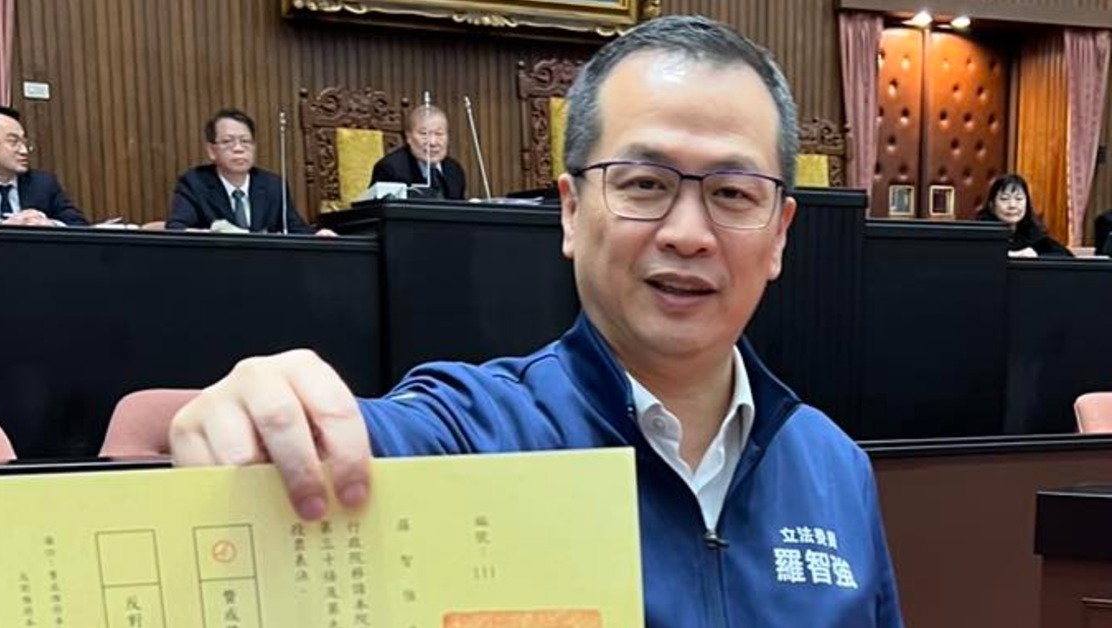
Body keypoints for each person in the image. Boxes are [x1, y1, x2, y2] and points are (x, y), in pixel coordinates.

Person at [170, 15, 902, 627]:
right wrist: (264, 415)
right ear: (571, 212)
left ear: (778, 235)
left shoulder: (833, 464)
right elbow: (355, 441)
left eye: (733, 194)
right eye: (644, 184)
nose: (688, 233)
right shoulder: (474, 432)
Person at [167, 109, 315, 233]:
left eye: (245, 141)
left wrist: (318, 236)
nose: (238, 149)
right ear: (211, 151)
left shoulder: (273, 185)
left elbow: (296, 230)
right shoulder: (194, 183)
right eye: (227, 141)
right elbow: (177, 228)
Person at [369, 104, 467, 200]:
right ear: (408, 137)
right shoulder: (390, 169)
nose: (432, 142)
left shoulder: (454, 170)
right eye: (424, 134)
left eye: (439, 134)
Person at [974, 174, 1072, 258]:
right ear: (992, 205)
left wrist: (1037, 256)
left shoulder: (1033, 233)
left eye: (1019, 199)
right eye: (1004, 199)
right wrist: (1012, 255)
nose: (1012, 205)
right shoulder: (980, 231)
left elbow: (1066, 256)